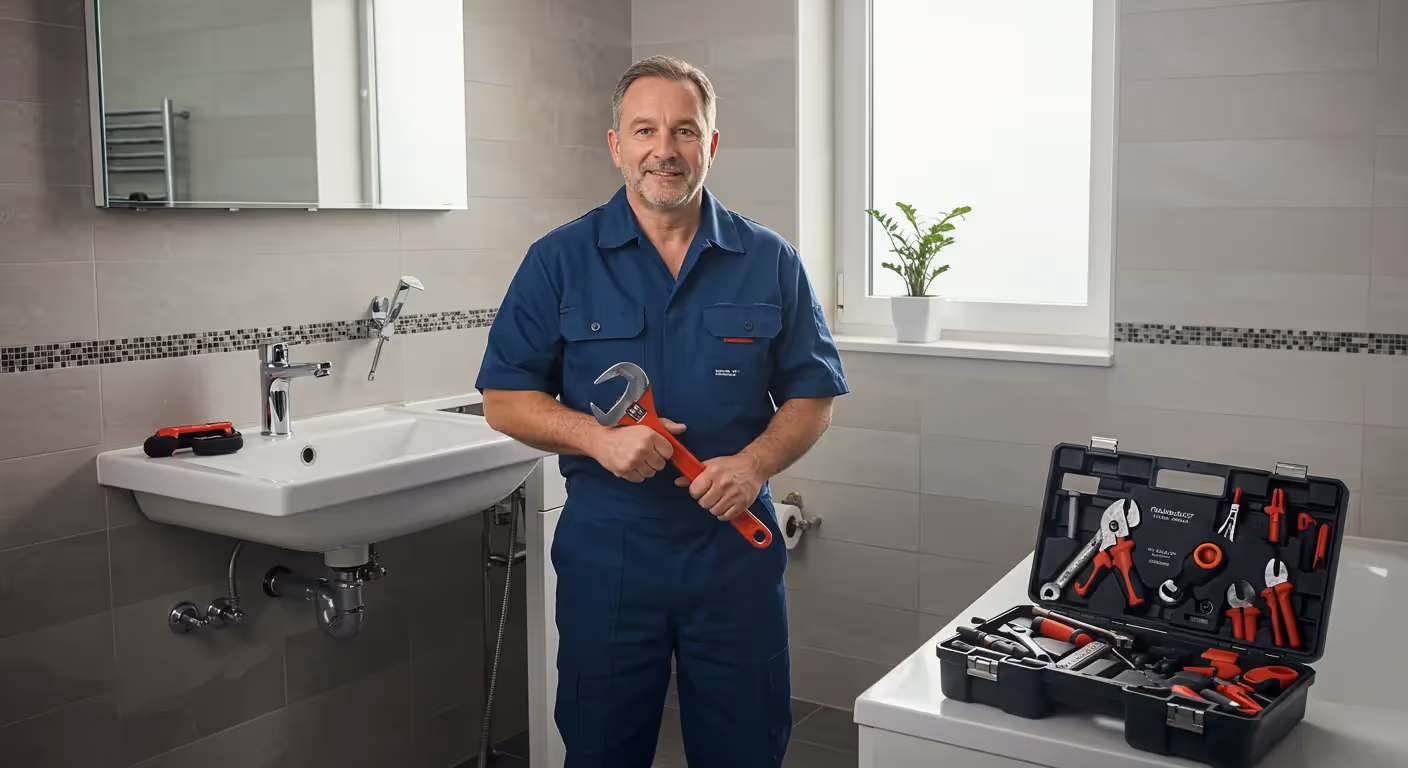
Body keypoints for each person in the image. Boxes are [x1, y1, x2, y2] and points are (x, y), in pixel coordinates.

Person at [475, 55, 849, 768]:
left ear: (710, 145)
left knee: (745, 749)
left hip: (735, 553)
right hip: (610, 555)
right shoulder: (557, 260)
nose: (664, 149)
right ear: (616, 145)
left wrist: (754, 464)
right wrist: (596, 438)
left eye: (684, 130)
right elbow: (504, 398)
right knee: (603, 749)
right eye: (644, 130)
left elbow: (813, 395)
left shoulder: (771, 260)